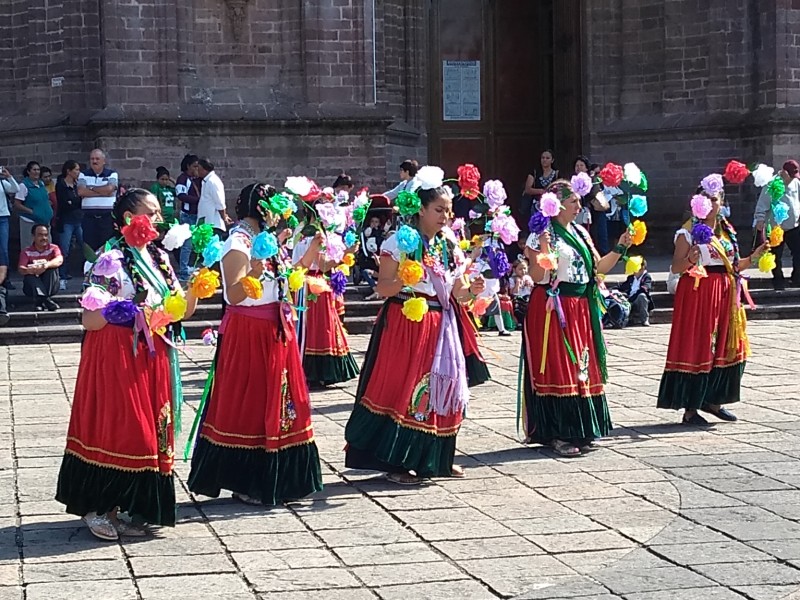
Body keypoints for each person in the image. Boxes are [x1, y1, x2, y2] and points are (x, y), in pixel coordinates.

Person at [55, 188, 198, 540]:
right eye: (151, 211)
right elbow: (89, 320)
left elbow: (179, 309)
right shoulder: (111, 257)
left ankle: (131, 506)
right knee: (122, 426)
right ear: (129, 217)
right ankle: (98, 505)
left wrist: (197, 290)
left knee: (150, 430)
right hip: (117, 353)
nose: (158, 218)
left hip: (152, 354)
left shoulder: (160, 258)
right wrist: (121, 311)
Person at [344, 171, 486, 484]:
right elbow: (383, 288)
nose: (446, 216)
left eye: (449, 210)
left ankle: (437, 459)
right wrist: (406, 278)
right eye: (439, 210)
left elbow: (456, 293)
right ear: (421, 209)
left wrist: (472, 290)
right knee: (407, 389)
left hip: (441, 323)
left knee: (442, 387)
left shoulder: (449, 243)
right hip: (406, 322)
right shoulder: (399, 241)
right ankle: (397, 462)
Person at [187, 183, 323, 506]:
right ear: (262, 209)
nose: (278, 216)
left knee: (279, 401)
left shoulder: (267, 242)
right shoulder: (238, 242)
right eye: (274, 209)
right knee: (250, 402)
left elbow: (281, 282)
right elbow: (232, 294)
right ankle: (246, 479)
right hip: (249, 330)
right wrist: (256, 272)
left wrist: (309, 256)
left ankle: (283, 479)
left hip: (274, 328)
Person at [522, 179, 632, 457]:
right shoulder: (541, 234)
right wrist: (544, 251)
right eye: (573, 202)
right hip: (554, 307)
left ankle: (582, 430)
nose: (579, 206)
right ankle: (557, 433)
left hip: (581, 307)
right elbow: (537, 277)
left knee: (582, 365)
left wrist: (620, 247)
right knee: (560, 366)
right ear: (557, 206)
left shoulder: (581, 232)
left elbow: (597, 268)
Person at [657, 187, 768, 425]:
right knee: (700, 346)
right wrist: (690, 259)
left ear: (722, 202)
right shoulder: (687, 233)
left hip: (725, 293)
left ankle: (714, 400)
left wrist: (756, 256)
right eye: (706, 199)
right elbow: (676, 267)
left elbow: (734, 266)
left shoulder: (726, 231)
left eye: (715, 199)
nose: (711, 204)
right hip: (699, 292)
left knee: (727, 345)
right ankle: (690, 408)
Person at [292, 202, 360, 387]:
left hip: (307, 281)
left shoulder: (301, 232)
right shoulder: (315, 236)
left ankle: (313, 369)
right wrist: (345, 253)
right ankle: (319, 371)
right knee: (321, 326)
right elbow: (322, 265)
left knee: (318, 326)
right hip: (315, 283)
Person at [753, 160, 800, 289]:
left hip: (793, 227)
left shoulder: (796, 183)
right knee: (775, 255)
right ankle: (778, 281)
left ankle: (797, 279)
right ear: (784, 173)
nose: (792, 179)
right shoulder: (771, 184)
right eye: (791, 175)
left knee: (798, 252)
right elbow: (762, 204)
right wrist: (760, 219)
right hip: (775, 228)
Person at [78, 149, 119, 251]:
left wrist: (91, 188)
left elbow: (110, 189)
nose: (94, 161)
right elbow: (81, 192)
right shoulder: (83, 174)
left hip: (106, 218)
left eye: (97, 159)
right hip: (89, 218)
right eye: (92, 159)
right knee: (90, 249)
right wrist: (103, 191)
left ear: (103, 161)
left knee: (106, 249)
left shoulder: (112, 174)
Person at [19, 224, 62, 311]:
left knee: (52, 268)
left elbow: (59, 260)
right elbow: (21, 269)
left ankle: (40, 301)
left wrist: (45, 266)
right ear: (33, 237)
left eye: (46, 235)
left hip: (51, 286)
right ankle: (46, 300)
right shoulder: (26, 251)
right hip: (30, 289)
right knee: (29, 275)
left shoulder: (54, 248)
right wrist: (32, 270)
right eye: (40, 235)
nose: (44, 238)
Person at [55, 160, 83, 289]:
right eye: (76, 170)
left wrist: (74, 201)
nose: (78, 172)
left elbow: (77, 201)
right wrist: (75, 201)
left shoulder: (79, 184)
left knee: (85, 246)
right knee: (64, 249)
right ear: (69, 171)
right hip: (67, 221)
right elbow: (65, 203)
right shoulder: (61, 185)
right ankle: (62, 276)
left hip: (79, 219)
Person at [14, 161, 53, 252]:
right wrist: (32, 211)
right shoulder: (23, 186)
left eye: (38, 170)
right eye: (34, 170)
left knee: (46, 246)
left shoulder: (41, 184)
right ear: (28, 171)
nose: (36, 172)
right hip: (30, 222)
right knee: (29, 246)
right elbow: (17, 204)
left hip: (44, 222)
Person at [175, 154, 202, 282]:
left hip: (196, 215)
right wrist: (198, 200)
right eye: (194, 166)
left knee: (195, 244)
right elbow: (181, 195)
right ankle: (183, 270)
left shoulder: (197, 179)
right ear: (188, 166)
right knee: (187, 245)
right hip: (187, 215)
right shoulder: (182, 179)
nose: (196, 169)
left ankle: (190, 266)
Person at [0, 166, 20, 303]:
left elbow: (15, 189)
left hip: (2, 218)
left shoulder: (2, 182)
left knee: (4, 250)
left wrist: (8, 176)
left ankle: (5, 279)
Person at [197, 159, 230, 236]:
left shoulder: (213, 181)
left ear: (204, 169)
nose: (197, 170)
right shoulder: (206, 181)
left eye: (199, 168)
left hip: (213, 225)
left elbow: (220, 202)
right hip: (206, 223)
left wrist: (224, 217)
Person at [522, 150, 559, 220]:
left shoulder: (557, 174)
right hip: (536, 206)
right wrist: (542, 191)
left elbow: (560, 189)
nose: (544, 160)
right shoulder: (534, 173)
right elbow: (527, 189)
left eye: (547, 158)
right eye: (543, 158)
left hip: (552, 207)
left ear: (552, 160)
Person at [618, 258, 653, 326]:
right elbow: (622, 287)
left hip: (637, 300)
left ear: (642, 268)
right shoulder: (631, 278)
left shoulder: (646, 277)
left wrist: (633, 297)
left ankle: (644, 319)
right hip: (629, 299)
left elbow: (645, 288)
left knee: (642, 296)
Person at [359, 215, 386, 300]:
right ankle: (376, 291)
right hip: (370, 258)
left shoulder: (382, 234)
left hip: (384, 264)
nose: (374, 223)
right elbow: (365, 235)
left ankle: (378, 292)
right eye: (372, 221)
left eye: (376, 222)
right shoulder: (367, 232)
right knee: (365, 272)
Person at [509, 256, 533, 326]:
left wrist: (530, 285)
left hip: (527, 297)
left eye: (525, 268)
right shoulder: (512, 279)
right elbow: (513, 292)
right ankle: (519, 321)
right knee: (517, 303)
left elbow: (531, 290)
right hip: (518, 298)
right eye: (520, 269)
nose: (523, 271)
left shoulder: (528, 278)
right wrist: (517, 284)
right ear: (514, 269)